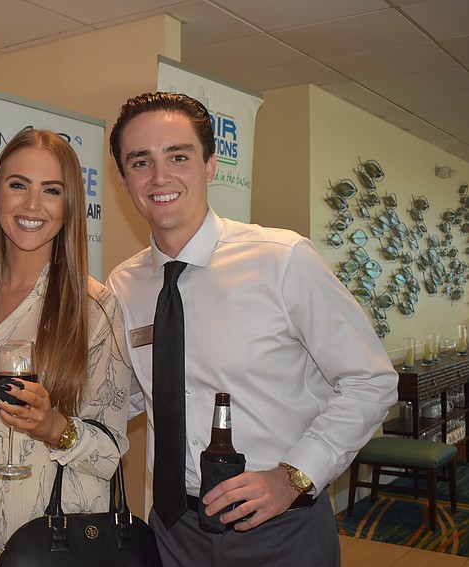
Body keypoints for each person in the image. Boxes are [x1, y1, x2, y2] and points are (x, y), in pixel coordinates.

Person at [105, 92, 398, 566]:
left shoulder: (282, 260)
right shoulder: (125, 285)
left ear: (210, 165)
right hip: (174, 532)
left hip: (281, 527)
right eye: (141, 162)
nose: (160, 177)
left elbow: (371, 381)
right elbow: (134, 395)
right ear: (123, 179)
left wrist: (294, 476)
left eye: (178, 156)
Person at [0, 129, 132, 566]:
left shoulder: (95, 308)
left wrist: (52, 426)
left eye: (51, 190)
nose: (31, 205)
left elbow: (109, 451)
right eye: (18, 185)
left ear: (69, 208)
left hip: (49, 529)